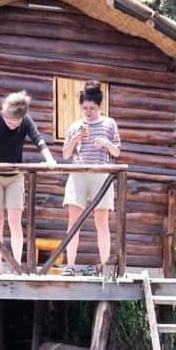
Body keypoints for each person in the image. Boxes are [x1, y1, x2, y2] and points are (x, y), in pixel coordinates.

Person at [0, 91, 55, 274]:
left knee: (15, 221)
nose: (12, 126)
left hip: (15, 176)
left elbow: (39, 140)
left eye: (15, 123)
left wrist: (49, 159)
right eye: (9, 122)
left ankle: (16, 265)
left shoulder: (26, 121)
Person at [61, 81, 121, 276]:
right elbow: (65, 154)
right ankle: (69, 266)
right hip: (78, 174)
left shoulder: (109, 123)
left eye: (92, 108)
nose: (88, 111)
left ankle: (105, 267)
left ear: (99, 107)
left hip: (101, 175)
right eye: (85, 108)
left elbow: (117, 152)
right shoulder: (75, 126)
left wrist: (105, 143)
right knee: (73, 222)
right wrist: (76, 139)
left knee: (101, 223)